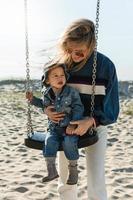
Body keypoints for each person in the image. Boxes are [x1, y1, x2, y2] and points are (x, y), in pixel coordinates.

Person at [44, 19, 119, 199]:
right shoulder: (61, 65)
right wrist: (47, 108)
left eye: (78, 51)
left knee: (96, 179)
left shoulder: (105, 67)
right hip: (65, 127)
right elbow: (46, 88)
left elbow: (112, 109)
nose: (73, 55)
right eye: (69, 50)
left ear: (91, 44)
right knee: (67, 180)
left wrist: (91, 120)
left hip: (96, 127)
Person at [26, 63, 84, 185]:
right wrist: (32, 100)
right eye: (55, 76)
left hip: (68, 127)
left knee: (69, 142)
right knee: (49, 141)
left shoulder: (71, 92)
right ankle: (51, 171)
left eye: (62, 75)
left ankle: (73, 171)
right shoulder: (46, 93)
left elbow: (78, 108)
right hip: (53, 129)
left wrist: (73, 124)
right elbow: (42, 104)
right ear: (47, 80)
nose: (60, 78)